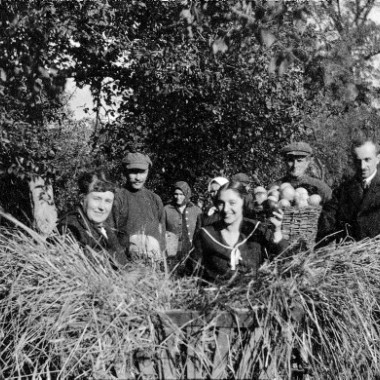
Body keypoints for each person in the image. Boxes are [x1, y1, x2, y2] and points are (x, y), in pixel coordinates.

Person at [190, 181, 288, 285]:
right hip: (214, 297)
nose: (226, 209)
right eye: (221, 203)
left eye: (232, 203)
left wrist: (277, 231)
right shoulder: (206, 235)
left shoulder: (257, 231)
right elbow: (192, 274)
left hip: (252, 297)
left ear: (243, 202)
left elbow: (282, 262)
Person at [317, 137, 380, 244]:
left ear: (378, 158)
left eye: (367, 160)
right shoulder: (342, 190)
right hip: (347, 256)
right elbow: (327, 222)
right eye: (358, 160)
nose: (362, 166)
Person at [59, 169, 127, 266]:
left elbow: (123, 266)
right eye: (96, 199)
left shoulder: (106, 230)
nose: (102, 207)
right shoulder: (68, 229)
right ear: (82, 199)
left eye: (107, 201)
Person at [108, 152, 166, 259]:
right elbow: (110, 235)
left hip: (153, 264)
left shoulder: (155, 199)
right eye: (133, 172)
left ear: (148, 171)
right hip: (126, 265)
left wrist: (161, 259)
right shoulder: (118, 198)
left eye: (142, 172)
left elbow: (161, 232)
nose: (138, 177)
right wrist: (121, 261)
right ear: (125, 171)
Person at [164, 181, 202, 266]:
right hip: (171, 254)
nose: (178, 197)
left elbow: (200, 232)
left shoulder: (196, 210)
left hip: (191, 253)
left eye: (181, 194)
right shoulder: (166, 210)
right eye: (176, 194)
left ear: (187, 194)